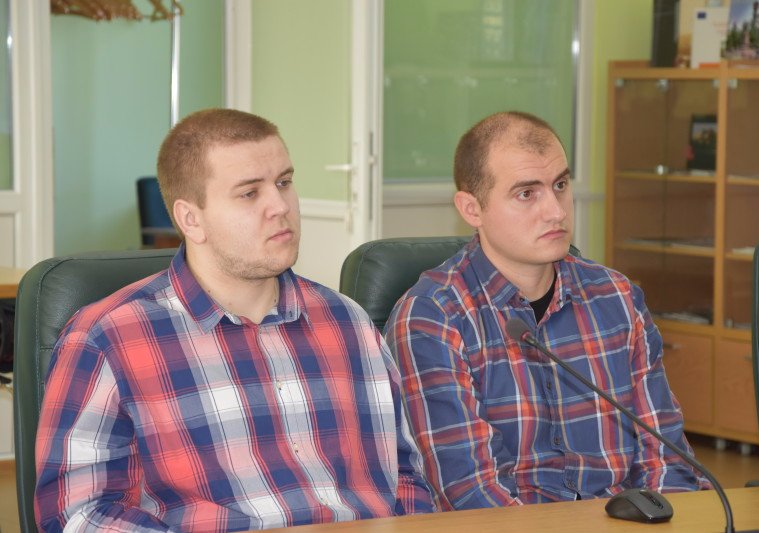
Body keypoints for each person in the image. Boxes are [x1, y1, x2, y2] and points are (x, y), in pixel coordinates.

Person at [35, 108, 434, 532]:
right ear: (191, 220)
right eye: (249, 193)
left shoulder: (347, 322)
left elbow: (405, 476)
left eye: (284, 182)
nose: (280, 206)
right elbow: (79, 515)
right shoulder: (108, 338)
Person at [384, 111, 709, 511]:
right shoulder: (433, 317)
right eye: (527, 193)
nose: (556, 211)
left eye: (560, 185)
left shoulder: (617, 297)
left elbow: (669, 459)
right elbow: (469, 493)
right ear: (472, 209)